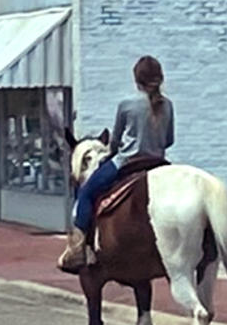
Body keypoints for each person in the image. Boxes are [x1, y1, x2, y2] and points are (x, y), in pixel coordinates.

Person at [57, 55, 174, 273]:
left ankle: (81, 248)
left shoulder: (127, 105)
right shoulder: (167, 105)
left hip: (128, 162)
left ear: (136, 79)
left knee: (87, 193)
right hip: (159, 163)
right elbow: (169, 140)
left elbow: (115, 141)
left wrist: (113, 151)